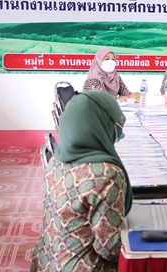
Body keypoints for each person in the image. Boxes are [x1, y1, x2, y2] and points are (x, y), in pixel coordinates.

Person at [31, 91, 132, 272]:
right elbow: (110, 248)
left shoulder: (57, 160)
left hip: (48, 264)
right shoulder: (107, 174)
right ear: (101, 126)